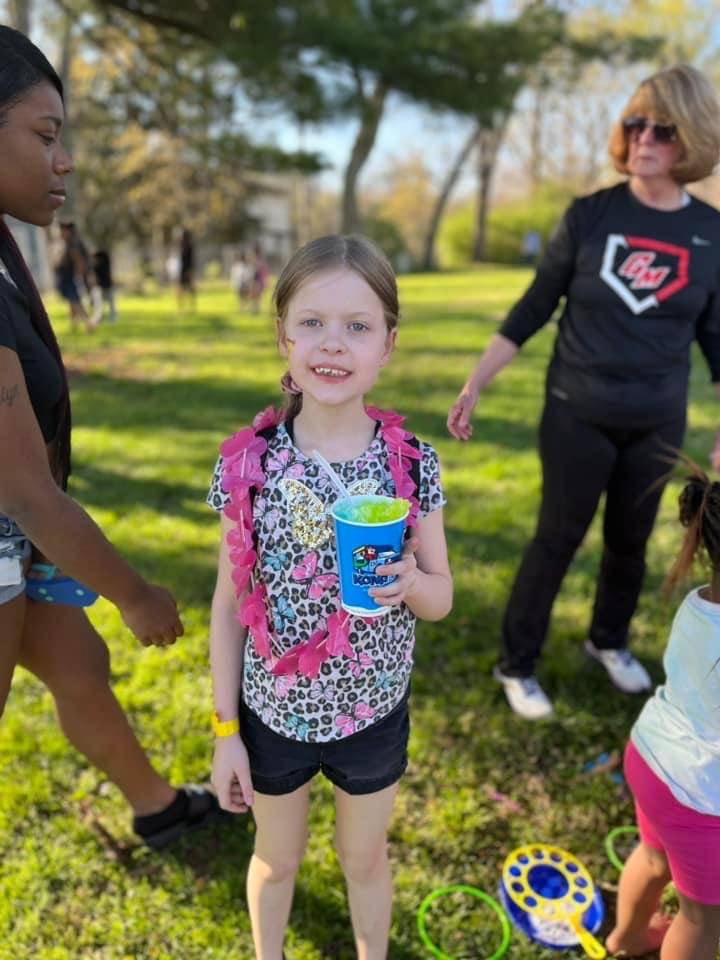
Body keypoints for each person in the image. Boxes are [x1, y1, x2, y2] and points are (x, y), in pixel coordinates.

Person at [447, 64, 720, 720]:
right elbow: (533, 307)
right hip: (577, 410)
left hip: (656, 418)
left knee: (631, 539)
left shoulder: (711, 233)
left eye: (662, 127)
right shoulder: (590, 215)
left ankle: (609, 640)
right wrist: (475, 383)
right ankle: (517, 662)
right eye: (634, 124)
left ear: (692, 138)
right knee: (557, 536)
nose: (643, 138)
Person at [0, 26, 218, 847]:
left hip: (19, 547)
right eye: (44, 136)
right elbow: (22, 488)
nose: (64, 161)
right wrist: (134, 594)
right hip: (8, 535)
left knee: (77, 667)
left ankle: (157, 808)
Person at [207, 234, 453, 959]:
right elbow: (228, 606)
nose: (332, 345)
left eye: (358, 325)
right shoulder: (251, 464)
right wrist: (227, 734)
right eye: (311, 323)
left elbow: (441, 597)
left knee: (364, 859)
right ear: (283, 336)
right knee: (277, 861)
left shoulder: (411, 462)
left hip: (372, 711)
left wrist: (411, 583)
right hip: (273, 716)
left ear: (388, 343)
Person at [606, 468, 720, 959]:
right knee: (702, 919)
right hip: (700, 795)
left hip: (651, 758)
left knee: (652, 859)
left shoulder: (699, 604)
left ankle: (626, 939)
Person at [55, 220, 93, 331]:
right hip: (69, 277)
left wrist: (77, 277)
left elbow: (79, 261)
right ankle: (74, 325)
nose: (60, 233)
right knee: (72, 301)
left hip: (71, 277)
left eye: (62, 231)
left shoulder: (73, 244)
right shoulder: (71, 242)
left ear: (68, 231)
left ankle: (89, 323)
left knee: (75, 301)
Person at [90, 249, 116, 325]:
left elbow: (94, 278)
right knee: (109, 305)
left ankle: (99, 319)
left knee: (99, 305)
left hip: (100, 287)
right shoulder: (105, 264)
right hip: (106, 286)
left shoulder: (97, 266)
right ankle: (109, 319)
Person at [177, 227, 196, 312]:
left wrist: (190, 272)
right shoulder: (181, 246)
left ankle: (192, 307)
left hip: (187, 271)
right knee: (180, 290)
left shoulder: (189, 247)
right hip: (181, 270)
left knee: (190, 289)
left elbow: (191, 260)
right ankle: (181, 308)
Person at [247, 242, 269, 315]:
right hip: (256, 281)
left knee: (256, 296)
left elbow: (261, 272)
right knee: (254, 296)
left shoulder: (257, 261)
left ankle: (255, 309)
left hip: (257, 281)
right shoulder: (256, 261)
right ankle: (254, 309)